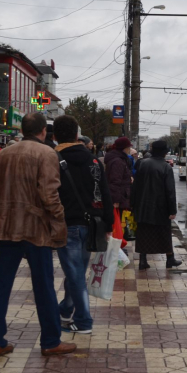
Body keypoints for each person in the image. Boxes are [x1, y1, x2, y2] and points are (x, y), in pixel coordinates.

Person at [0, 112, 75, 358]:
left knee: (2, 283)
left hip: (7, 227)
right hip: (37, 228)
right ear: (43, 131)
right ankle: (50, 340)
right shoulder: (46, 153)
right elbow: (49, 195)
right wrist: (59, 221)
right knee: (44, 285)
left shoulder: (4, 153)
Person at [53, 115, 113, 334]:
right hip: (93, 225)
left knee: (75, 273)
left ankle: (84, 321)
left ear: (54, 136)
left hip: (66, 224)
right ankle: (66, 309)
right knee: (76, 271)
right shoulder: (94, 160)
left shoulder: (53, 158)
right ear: (77, 135)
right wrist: (109, 223)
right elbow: (105, 192)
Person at [131, 140, 180, 270]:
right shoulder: (166, 167)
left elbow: (135, 186)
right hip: (160, 206)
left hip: (142, 205)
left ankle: (143, 260)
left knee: (144, 232)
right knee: (164, 233)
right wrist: (172, 210)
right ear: (165, 152)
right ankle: (170, 259)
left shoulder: (142, 163)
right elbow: (170, 191)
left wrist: (133, 204)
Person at [105, 137, 134, 238]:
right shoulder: (118, 161)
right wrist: (116, 200)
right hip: (119, 198)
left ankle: (119, 245)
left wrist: (128, 178)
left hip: (121, 196)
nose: (129, 150)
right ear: (123, 148)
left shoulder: (119, 159)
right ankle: (118, 247)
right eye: (128, 147)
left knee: (120, 225)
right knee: (118, 226)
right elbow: (115, 181)